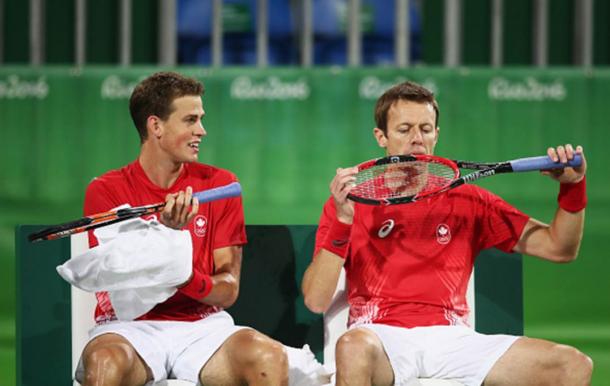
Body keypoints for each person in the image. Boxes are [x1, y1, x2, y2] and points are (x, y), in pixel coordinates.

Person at [301, 81, 593, 386]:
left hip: (453, 340)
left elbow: (560, 247)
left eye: (426, 129)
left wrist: (572, 186)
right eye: (404, 129)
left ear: (436, 135)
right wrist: (343, 220)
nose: (417, 139)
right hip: (381, 336)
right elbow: (316, 300)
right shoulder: (350, 203)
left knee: (572, 365)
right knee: (352, 346)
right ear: (381, 136)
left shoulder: (470, 201)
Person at [77, 71, 290, 386]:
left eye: (201, 119)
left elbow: (228, 289)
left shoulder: (221, 185)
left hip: (202, 326)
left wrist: (184, 274)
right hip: (130, 327)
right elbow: (120, 290)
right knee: (105, 362)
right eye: (190, 120)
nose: (201, 131)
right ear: (156, 126)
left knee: (269, 358)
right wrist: (167, 237)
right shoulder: (105, 191)